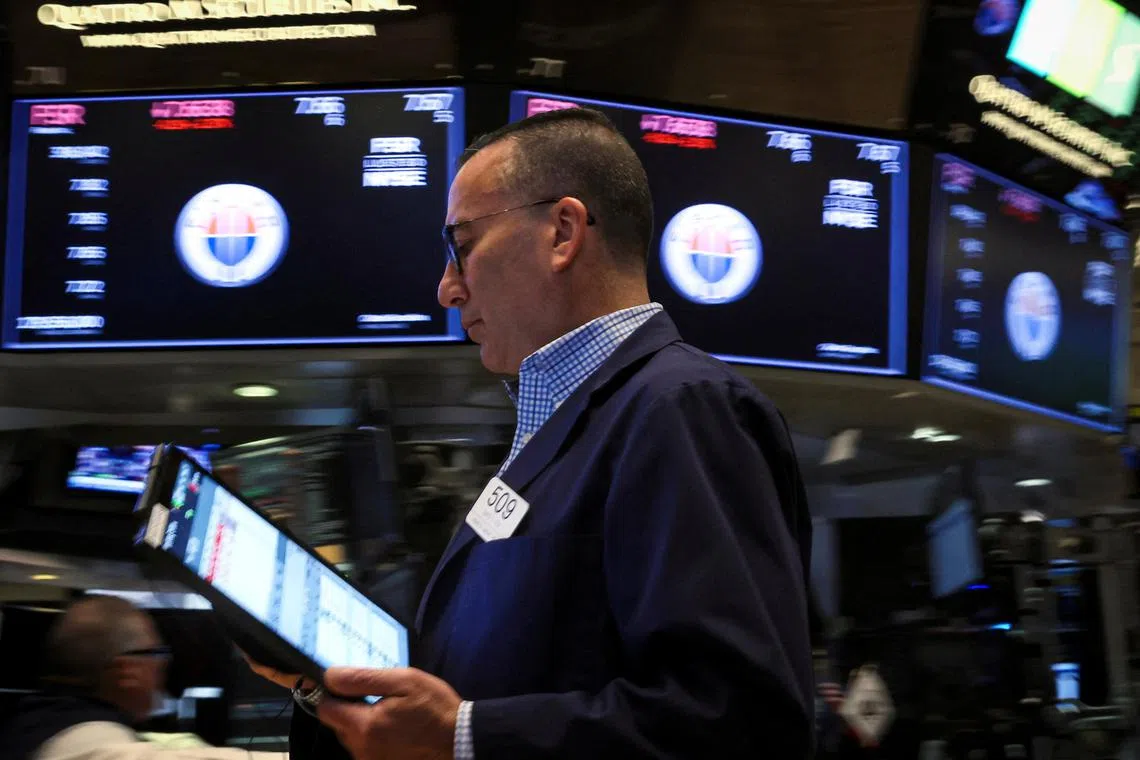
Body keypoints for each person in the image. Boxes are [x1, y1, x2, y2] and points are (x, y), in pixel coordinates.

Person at [282, 106, 815, 758]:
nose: (447, 288)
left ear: (562, 232)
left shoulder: (681, 408)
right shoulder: (561, 432)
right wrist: (331, 690)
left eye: (462, 246)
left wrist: (466, 738)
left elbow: (740, 724)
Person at [0, 595, 285, 760]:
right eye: (157, 653)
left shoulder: (35, 724)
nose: (164, 665)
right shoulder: (85, 747)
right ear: (126, 670)